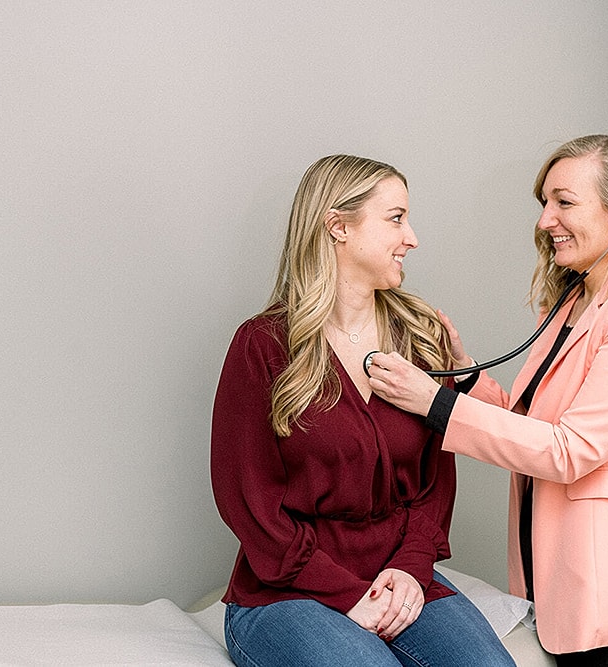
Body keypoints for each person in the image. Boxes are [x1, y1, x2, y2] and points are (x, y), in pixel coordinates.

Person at [367, 135, 608, 666]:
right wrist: (464, 374)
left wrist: (435, 405)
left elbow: (570, 450)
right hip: (559, 590)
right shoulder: (571, 300)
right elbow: (530, 424)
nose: (545, 221)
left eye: (564, 202)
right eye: (544, 203)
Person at [210, 154, 515, 667]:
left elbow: (436, 482)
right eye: (396, 218)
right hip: (288, 589)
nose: (411, 238)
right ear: (338, 227)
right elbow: (247, 500)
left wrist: (412, 568)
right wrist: (346, 594)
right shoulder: (263, 345)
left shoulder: (420, 336)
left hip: (398, 572)